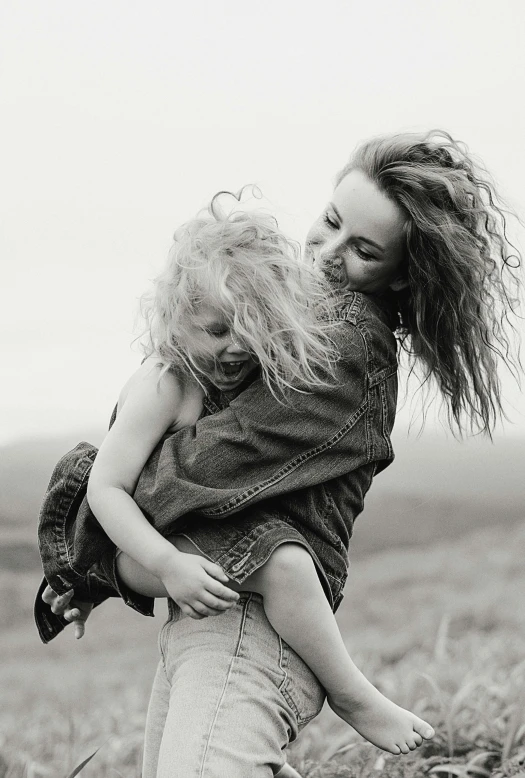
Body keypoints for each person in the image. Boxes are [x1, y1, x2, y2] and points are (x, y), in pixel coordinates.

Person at [38, 130, 521, 778]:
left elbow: (177, 483)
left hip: (251, 624)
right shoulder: (281, 318)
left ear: (400, 273)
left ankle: (356, 695)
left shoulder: (344, 347)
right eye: (328, 221)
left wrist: (101, 550)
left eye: (362, 251)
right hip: (211, 608)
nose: (324, 252)